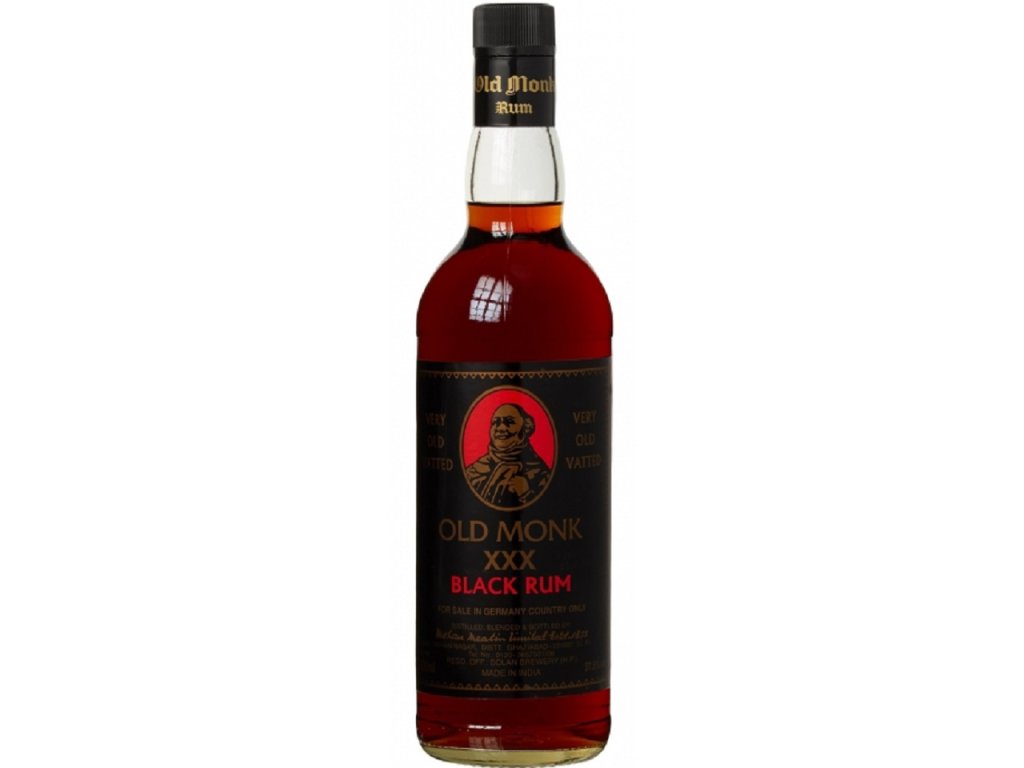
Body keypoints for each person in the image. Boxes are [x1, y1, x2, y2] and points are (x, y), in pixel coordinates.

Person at [466, 403, 551, 508]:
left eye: (510, 422)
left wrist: (527, 493)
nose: (501, 428)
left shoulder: (540, 473)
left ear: (525, 428)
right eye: (496, 422)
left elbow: (552, 505)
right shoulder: (474, 471)